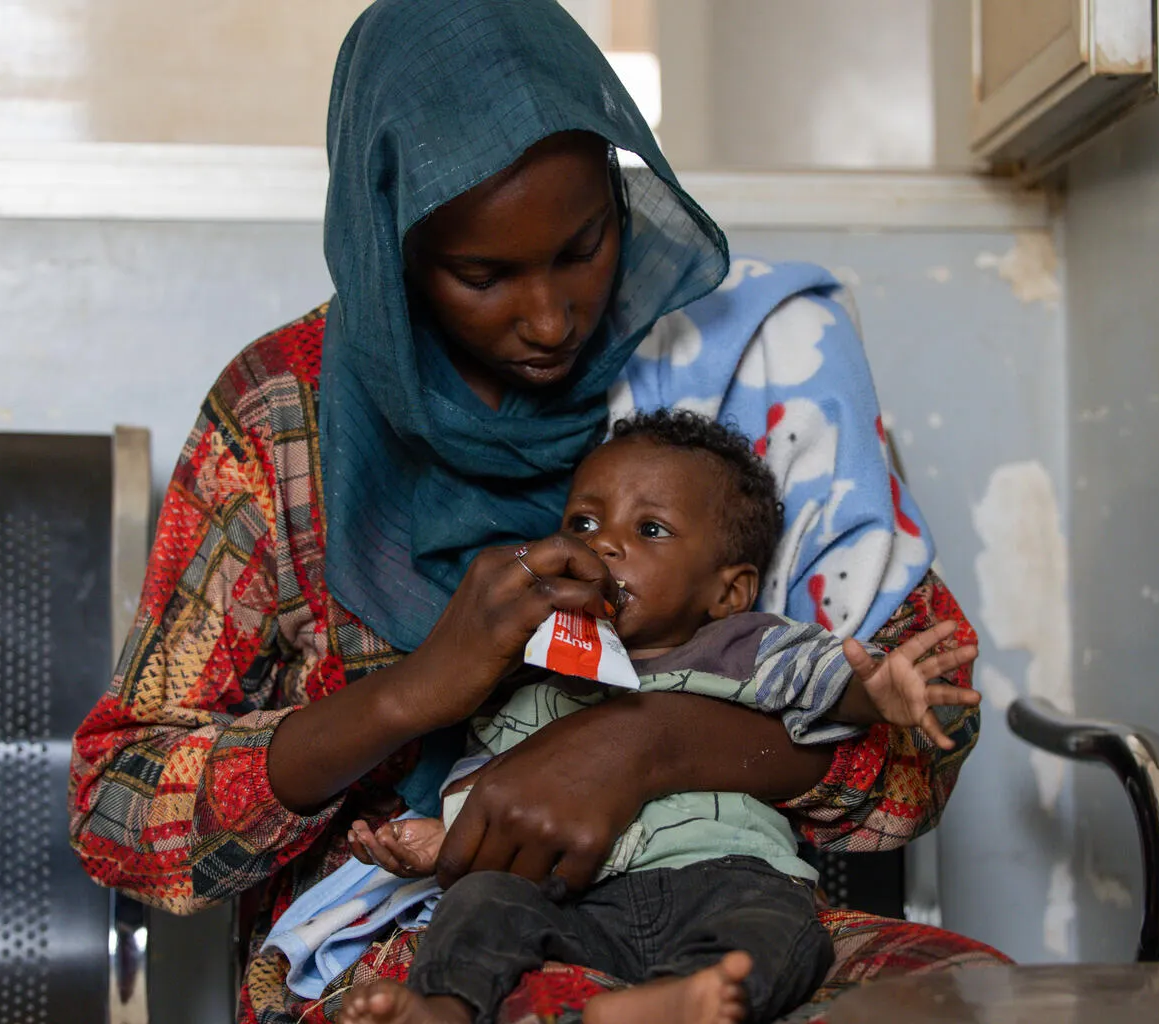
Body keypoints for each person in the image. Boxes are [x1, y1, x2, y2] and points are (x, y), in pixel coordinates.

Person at [68, 2, 1000, 1022]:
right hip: (410, 950)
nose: (553, 319)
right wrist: (408, 696)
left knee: (969, 995)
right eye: (484, 275)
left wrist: (653, 743)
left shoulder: (738, 373)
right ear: (394, 250)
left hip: (726, 919)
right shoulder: (282, 424)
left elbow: (925, 743)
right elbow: (124, 812)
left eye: (585, 244)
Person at [318, 410, 981, 1024]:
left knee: (781, 932)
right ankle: (443, 1009)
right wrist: (440, 837)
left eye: (650, 530)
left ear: (729, 591)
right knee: (480, 904)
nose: (603, 545)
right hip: (577, 904)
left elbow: (822, 683)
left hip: (729, 880)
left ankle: (681, 999)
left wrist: (878, 692)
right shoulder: (537, 674)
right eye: (583, 524)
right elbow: (488, 779)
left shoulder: (745, 648)